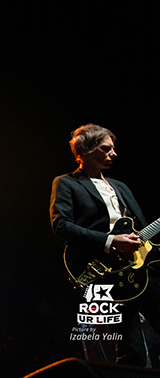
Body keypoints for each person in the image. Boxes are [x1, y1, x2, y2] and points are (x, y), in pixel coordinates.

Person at [50, 123, 160, 366]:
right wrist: (111, 242)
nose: (114, 153)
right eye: (106, 148)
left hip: (141, 269)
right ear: (85, 151)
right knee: (131, 349)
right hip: (105, 272)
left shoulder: (121, 186)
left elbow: (142, 229)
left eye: (113, 148)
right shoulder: (66, 183)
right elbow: (61, 226)